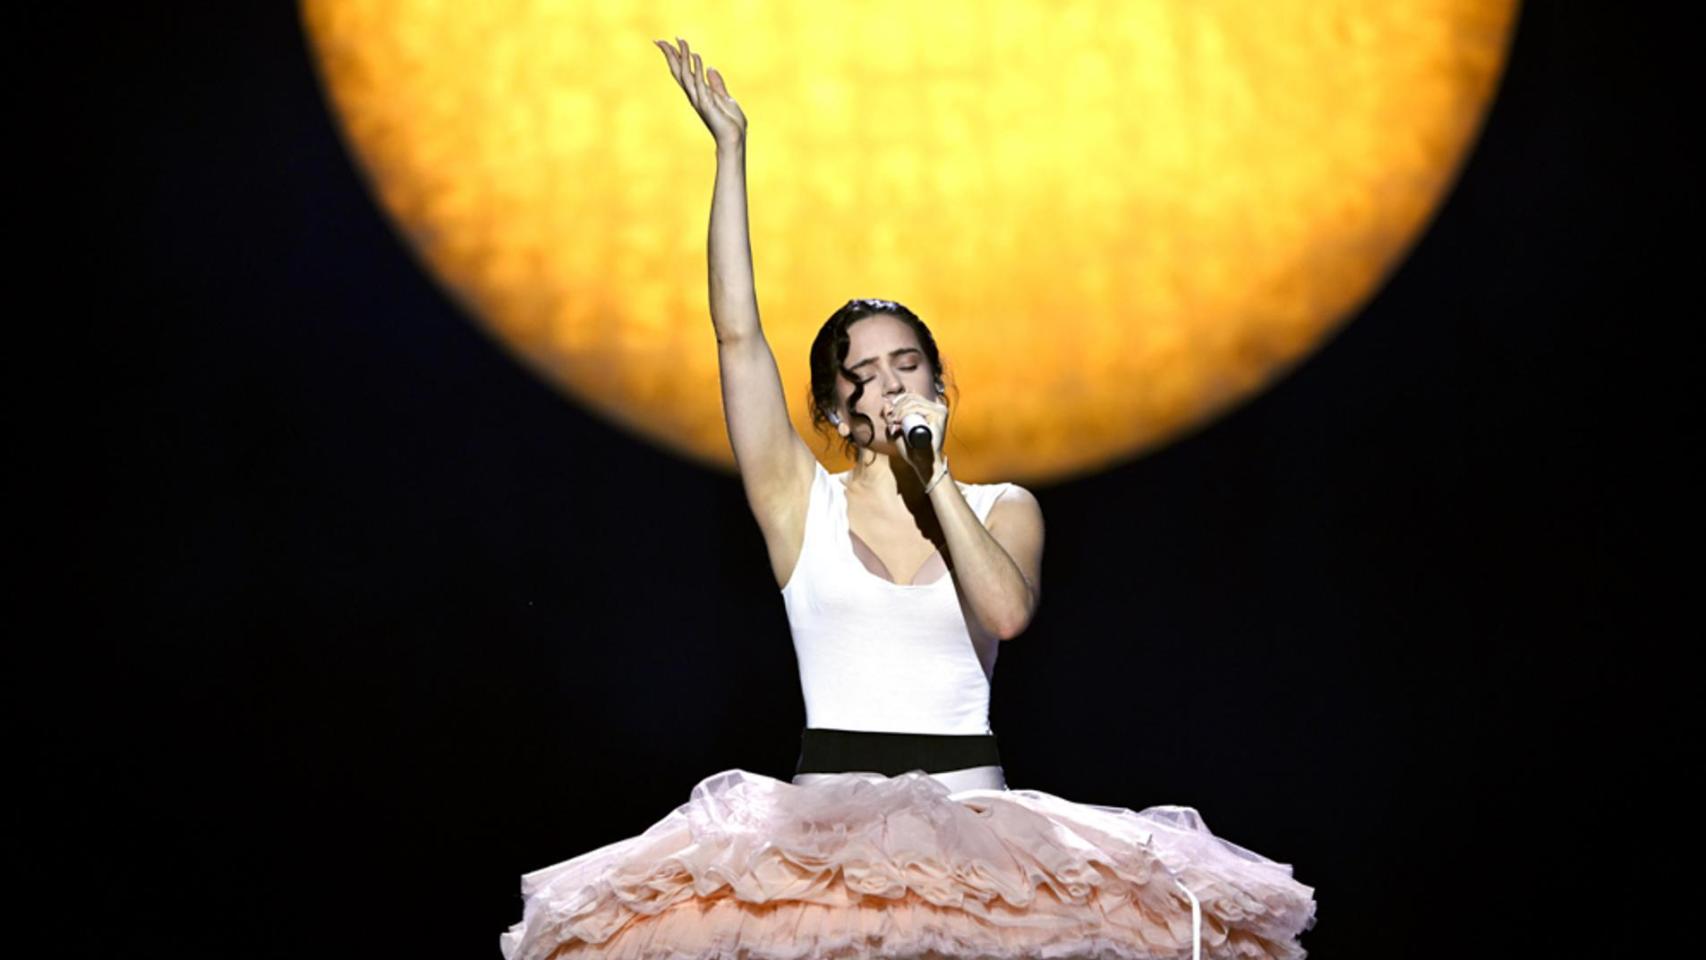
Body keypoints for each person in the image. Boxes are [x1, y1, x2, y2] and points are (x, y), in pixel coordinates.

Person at [499, 38, 1317, 960]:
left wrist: (934, 479)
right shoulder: (796, 504)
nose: (888, 387)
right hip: (818, 840)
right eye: (865, 376)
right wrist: (730, 152)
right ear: (836, 411)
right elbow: (737, 337)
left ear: (938, 381)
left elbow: (1006, 613)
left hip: (978, 829)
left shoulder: (1007, 505)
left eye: (907, 365)